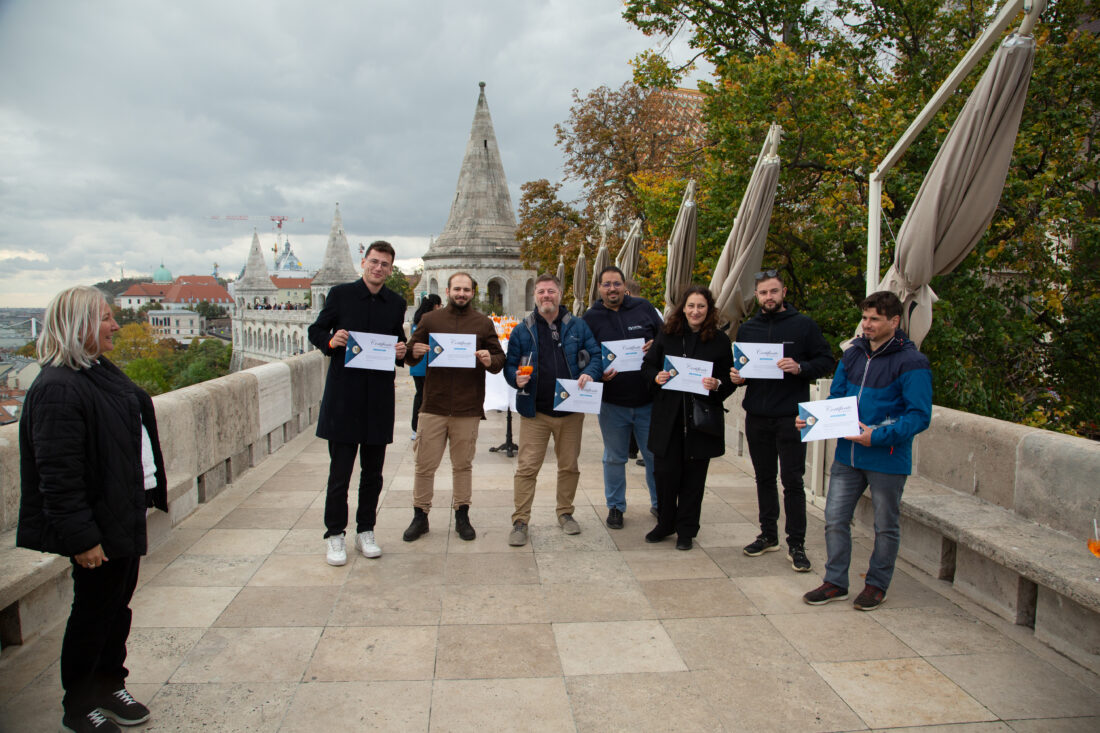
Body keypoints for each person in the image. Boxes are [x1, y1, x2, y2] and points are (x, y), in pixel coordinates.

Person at [18, 286, 168, 733]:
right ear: (80, 324)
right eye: (105, 318)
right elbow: (58, 475)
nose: (116, 325)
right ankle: (78, 705)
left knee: (116, 607)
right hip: (96, 523)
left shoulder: (96, 370)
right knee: (93, 612)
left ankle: (109, 683)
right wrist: (83, 538)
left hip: (120, 509)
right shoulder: (57, 388)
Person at [801, 291, 932, 611]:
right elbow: (838, 397)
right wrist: (815, 420)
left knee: (885, 525)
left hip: (886, 457)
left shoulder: (912, 361)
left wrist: (878, 436)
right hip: (848, 455)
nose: (867, 324)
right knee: (834, 519)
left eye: (874, 319)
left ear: (895, 321)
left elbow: (919, 415)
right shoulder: (853, 353)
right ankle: (836, 582)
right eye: (864, 318)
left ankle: (876, 585)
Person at [307, 241, 407, 566]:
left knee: (373, 474)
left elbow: (396, 339)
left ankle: (366, 529)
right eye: (374, 262)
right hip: (345, 398)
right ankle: (334, 533)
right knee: (340, 473)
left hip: (378, 398)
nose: (379, 268)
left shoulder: (396, 303)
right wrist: (330, 341)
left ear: (391, 270)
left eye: (385, 264)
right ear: (363, 262)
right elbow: (316, 329)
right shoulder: (340, 294)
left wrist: (401, 351)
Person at [732, 269, 834, 572]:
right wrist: (736, 377)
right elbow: (741, 370)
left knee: (792, 481)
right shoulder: (748, 329)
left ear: (784, 292)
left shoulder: (804, 326)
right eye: (763, 293)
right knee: (763, 478)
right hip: (757, 415)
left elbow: (826, 361)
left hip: (791, 416)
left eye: (773, 292)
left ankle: (796, 543)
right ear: (757, 296)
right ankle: (768, 534)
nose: (768, 298)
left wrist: (800, 367)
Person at [403, 273, 505, 542]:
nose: (461, 293)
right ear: (447, 291)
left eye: (466, 289)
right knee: (424, 465)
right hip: (433, 405)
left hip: (467, 407)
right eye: (457, 289)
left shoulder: (483, 324)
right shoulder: (430, 320)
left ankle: (462, 514)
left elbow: (499, 359)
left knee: (462, 465)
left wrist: (489, 359)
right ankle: (420, 515)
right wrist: (414, 352)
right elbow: (409, 354)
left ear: (473, 292)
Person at [504, 273, 602, 547]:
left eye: (551, 291)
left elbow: (596, 355)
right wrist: (515, 378)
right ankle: (520, 520)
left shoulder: (578, 326)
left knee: (569, 466)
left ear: (560, 294)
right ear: (535, 295)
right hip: (535, 411)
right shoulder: (523, 329)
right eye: (541, 292)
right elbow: (510, 365)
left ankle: (565, 513)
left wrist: (592, 373)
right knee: (526, 468)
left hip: (571, 410)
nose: (546, 296)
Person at [642, 285, 735, 551]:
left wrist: (717, 384)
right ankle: (665, 523)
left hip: (700, 420)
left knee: (694, 480)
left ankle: (686, 530)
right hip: (668, 419)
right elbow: (647, 366)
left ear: (709, 310)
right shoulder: (667, 335)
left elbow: (730, 380)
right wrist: (656, 377)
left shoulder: (719, 340)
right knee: (664, 475)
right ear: (683, 308)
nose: (695, 311)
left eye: (701, 307)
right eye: (691, 306)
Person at [582, 265, 663, 528]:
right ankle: (615, 507)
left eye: (616, 284)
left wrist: (656, 346)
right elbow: (584, 355)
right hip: (612, 402)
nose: (612, 289)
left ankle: (660, 504)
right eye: (606, 284)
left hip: (648, 400)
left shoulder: (644, 308)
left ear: (624, 285)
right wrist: (597, 373)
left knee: (653, 456)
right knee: (614, 458)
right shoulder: (590, 317)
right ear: (599, 288)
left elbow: (667, 340)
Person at [408, 293, 443, 441]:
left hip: (418, 365)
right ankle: (418, 427)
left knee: (420, 395)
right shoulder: (429, 321)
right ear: (435, 306)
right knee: (424, 396)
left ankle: (418, 427)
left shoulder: (418, 319)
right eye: (440, 305)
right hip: (425, 364)